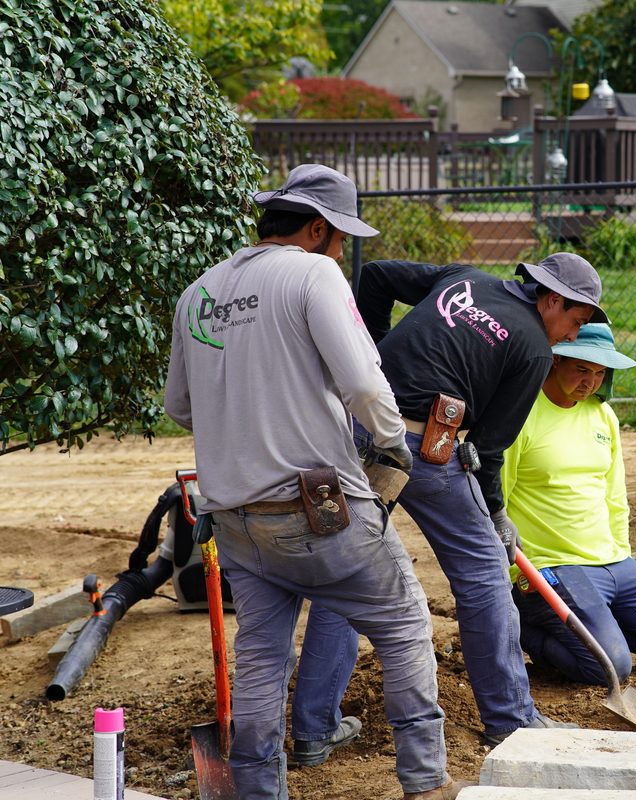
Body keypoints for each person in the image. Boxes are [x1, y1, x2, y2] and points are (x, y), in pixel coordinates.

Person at [164, 164, 463, 800]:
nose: (341, 251)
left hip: (237, 521)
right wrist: (389, 443)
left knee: (263, 656)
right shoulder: (313, 274)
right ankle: (425, 784)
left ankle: (257, 791)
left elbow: (181, 409)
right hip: (318, 512)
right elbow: (360, 382)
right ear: (317, 228)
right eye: (340, 238)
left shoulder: (200, 294)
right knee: (405, 623)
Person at [296, 252, 605, 746]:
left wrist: (370, 357)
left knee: (348, 570)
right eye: (576, 320)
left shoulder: (467, 277)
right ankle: (511, 721)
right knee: (484, 575)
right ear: (552, 300)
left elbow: (375, 275)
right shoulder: (532, 350)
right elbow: (489, 446)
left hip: (352, 432)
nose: (573, 334)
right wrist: (498, 516)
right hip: (423, 448)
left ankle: (314, 730)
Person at [502, 323, 636, 685]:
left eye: (599, 373)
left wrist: (622, 556)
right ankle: (520, 628)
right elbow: (494, 501)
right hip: (554, 567)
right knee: (608, 668)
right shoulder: (519, 414)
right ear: (555, 359)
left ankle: (599, 626)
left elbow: (614, 494)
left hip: (614, 562)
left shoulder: (602, 415)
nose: (590, 382)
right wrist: (511, 571)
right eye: (581, 369)